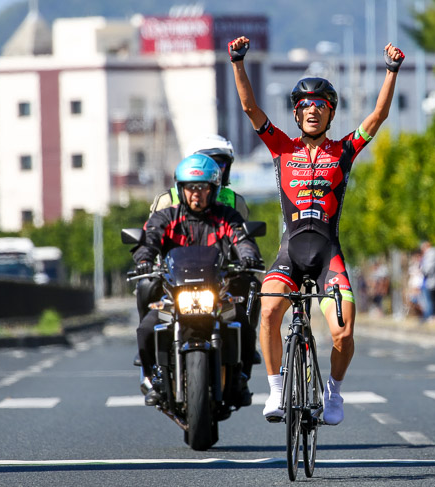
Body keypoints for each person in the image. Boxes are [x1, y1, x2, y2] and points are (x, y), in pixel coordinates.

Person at [228, 35, 404, 425]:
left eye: (320, 105)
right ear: (296, 114)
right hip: (290, 253)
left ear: (330, 114)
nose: (311, 110)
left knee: (343, 333)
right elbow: (248, 107)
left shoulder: (344, 150)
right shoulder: (280, 148)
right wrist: (238, 62)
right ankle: (275, 390)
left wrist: (391, 71)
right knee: (269, 310)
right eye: (304, 105)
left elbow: (378, 116)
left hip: (328, 255)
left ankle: (334, 394)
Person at [132, 154, 263, 406]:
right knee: (147, 328)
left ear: (213, 189)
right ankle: (152, 378)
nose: (196, 194)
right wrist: (144, 259)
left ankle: (241, 378)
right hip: (173, 294)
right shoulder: (166, 217)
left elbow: (243, 240)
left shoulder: (227, 217)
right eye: (191, 188)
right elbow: (149, 240)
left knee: (243, 321)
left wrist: (248, 257)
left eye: (203, 188)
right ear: (180, 189)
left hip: (217, 292)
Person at [149, 134, 250, 219]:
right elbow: (152, 235)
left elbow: (242, 237)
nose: (215, 169)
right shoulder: (167, 200)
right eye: (209, 163)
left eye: (220, 163)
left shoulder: (235, 201)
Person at [419, 240, 435, 324]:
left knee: (431, 300)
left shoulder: (431, 254)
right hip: (430, 281)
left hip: (431, 281)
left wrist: (422, 269)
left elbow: (427, 269)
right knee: (432, 300)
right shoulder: (430, 254)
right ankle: (432, 316)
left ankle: (433, 316)